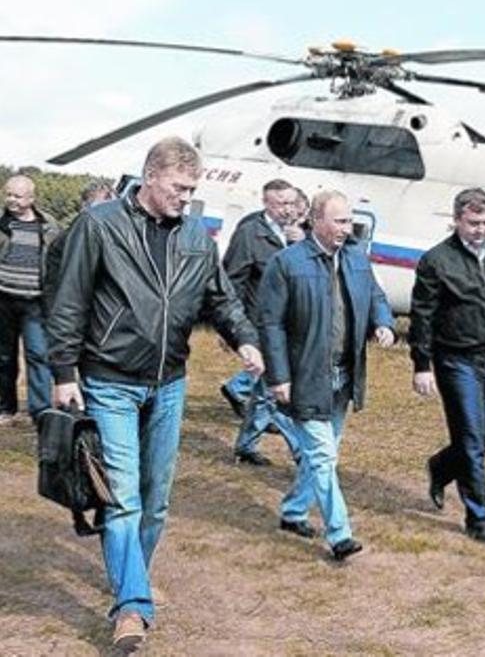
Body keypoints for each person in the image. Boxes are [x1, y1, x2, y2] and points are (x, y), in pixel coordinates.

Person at [46, 137, 263, 650]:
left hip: (169, 383)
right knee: (122, 498)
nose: (186, 198)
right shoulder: (99, 226)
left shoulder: (196, 236)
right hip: (109, 379)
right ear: (150, 176)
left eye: (192, 189)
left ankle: (131, 577)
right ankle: (133, 607)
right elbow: (69, 300)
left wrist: (245, 338)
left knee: (156, 500)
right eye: (179, 187)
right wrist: (63, 371)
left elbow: (221, 298)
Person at [258, 189, 394, 560]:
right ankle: (340, 534)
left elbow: (376, 297)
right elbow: (270, 324)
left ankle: (293, 511)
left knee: (326, 453)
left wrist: (383, 323)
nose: (346, 228)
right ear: (316, 220)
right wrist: (279, 376)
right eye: (339, 221)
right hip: (305, 377)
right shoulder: (287, 263)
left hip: (344, 376)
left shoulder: (356, 259)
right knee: (321, 455)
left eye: (349, 221)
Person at [409, 187, 485, 545]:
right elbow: (422, 317)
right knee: (471, 441)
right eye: (474, 223)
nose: (481, 230)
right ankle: (478, 518)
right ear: (457, 221)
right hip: (455, 361)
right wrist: (422, 364)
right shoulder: (436, 261)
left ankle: (441, 467)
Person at [220, 179, 305, 466]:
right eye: (282, 204)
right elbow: (232, 282)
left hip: (291, 324)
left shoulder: (299, 234)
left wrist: (301, 246)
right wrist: (232, 329)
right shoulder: (250, 234)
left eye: (292, 203)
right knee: (278, 392)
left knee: (264, 390)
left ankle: (245, 444)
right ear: (267, 203)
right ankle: (305, 453)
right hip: (263, 326)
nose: (288, 210)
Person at [0, 174, 61, 425]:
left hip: (35, 302)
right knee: (3, 356)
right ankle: (6, 408)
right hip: (3, 299)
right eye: (8, 194)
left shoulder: (48, 226)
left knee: (38, 354)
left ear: (31, 199)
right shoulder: (2, 224)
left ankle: (41, 411)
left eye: (17, 195)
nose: (11, 200)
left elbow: (59, 261)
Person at [42, 179, 116, 317]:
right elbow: (53, 287)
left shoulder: (119, 241)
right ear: (84, 207)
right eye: (102, 206)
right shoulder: (65, 240)